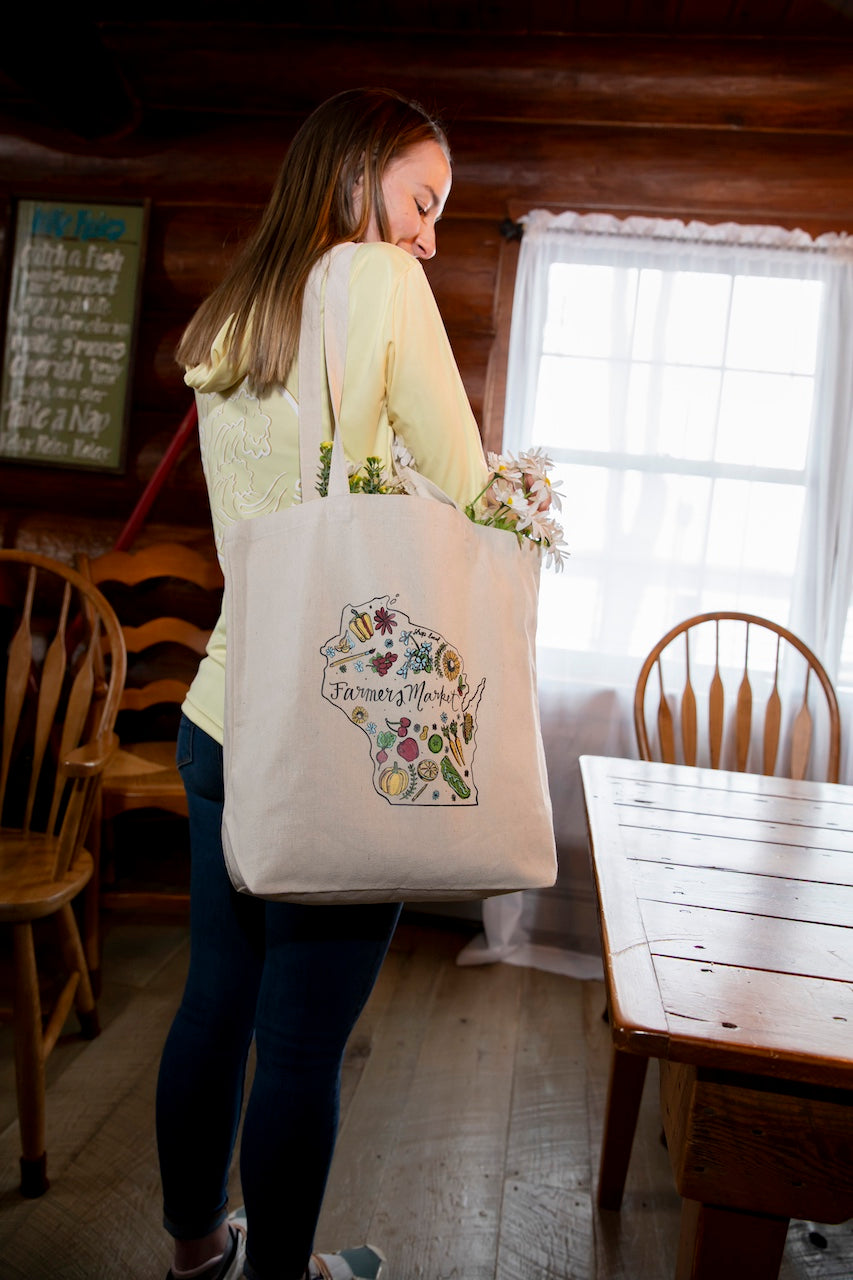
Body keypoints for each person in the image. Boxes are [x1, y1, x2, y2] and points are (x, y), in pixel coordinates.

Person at [156, 88, 491, 1280]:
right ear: (357, 179)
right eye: (422, 201)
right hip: (350, 730)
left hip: (223, 715)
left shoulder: (233, 309)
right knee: (300, 1043)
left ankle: (199, 1253)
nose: (429, 238)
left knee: (213, 1002)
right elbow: (472, 487)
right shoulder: (380, 287)